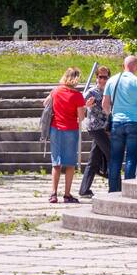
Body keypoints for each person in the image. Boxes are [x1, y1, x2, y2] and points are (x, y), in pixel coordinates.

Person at [103, 55, 137, 193]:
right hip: (135, 123)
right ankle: (129, 191)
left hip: (117, 123)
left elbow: (105, 104)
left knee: (115, 159)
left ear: (123, 65)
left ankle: (113, 190)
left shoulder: (111, 81)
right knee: (131, 157)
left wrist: (110, 115)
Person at [47, 67, 86, 203]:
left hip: (55, 128)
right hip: (70, 129)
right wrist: (85, 106)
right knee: (70, 164)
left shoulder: (55, 91)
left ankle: (53, 194)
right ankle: (67, 194)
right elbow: (81, 117)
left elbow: (45, 103)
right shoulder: (77, 96)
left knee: (56, 163)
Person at [78, 65, 111, 198]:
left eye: (105, 77)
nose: (102, 80)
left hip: (105, 127)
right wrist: (87, 105)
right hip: (95, 128)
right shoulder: (91, 92)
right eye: (99, 77)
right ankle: (115, 187)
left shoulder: (110, 91)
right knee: (112, 154)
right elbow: (80, 105)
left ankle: (84, 189)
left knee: (93, 159)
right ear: (96, 77)